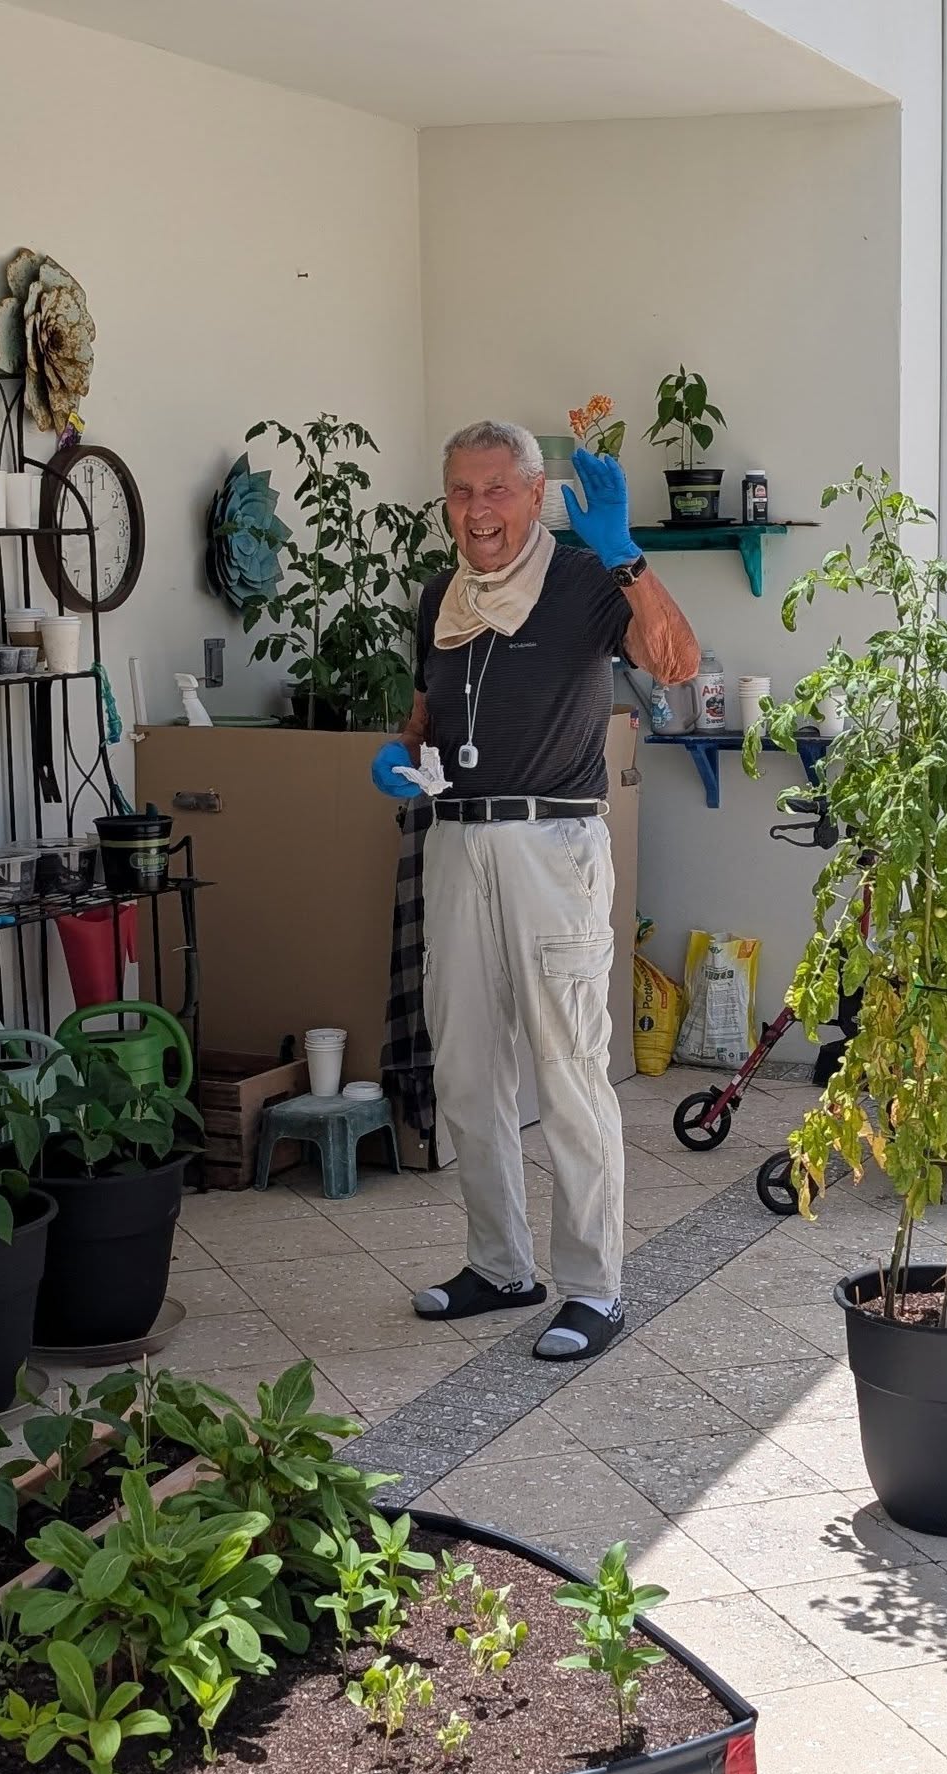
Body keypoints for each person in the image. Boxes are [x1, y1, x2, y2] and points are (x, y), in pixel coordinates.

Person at [369, 422, 699, 1361]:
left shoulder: (585, 583)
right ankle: (500, 1264)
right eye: (461, 492)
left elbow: (674, 663)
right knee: (467, 1067)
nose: (478, 511)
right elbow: (428, 714)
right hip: (456, 839)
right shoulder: (441, 597)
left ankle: (594, 1288)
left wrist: (626, 556)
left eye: (497, 490)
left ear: (533, 496)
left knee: (567, 1069)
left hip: (552, 844)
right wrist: (402, 754)